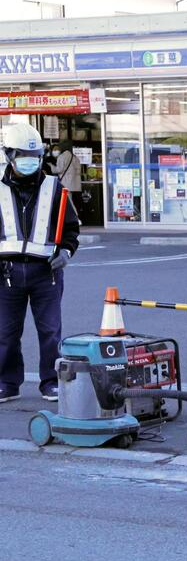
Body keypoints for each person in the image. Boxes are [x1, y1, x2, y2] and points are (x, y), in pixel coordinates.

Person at [0, 123, 79, 403]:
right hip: (6, 273)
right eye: (22, 156)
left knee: (50, 331)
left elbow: (71, 230)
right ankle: (7, 383)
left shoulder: (53, 187)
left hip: (47, 271)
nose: (30, 162)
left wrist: (66, 253)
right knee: (6, 333)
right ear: (9, 155)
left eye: (34, 157)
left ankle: (51, 382)